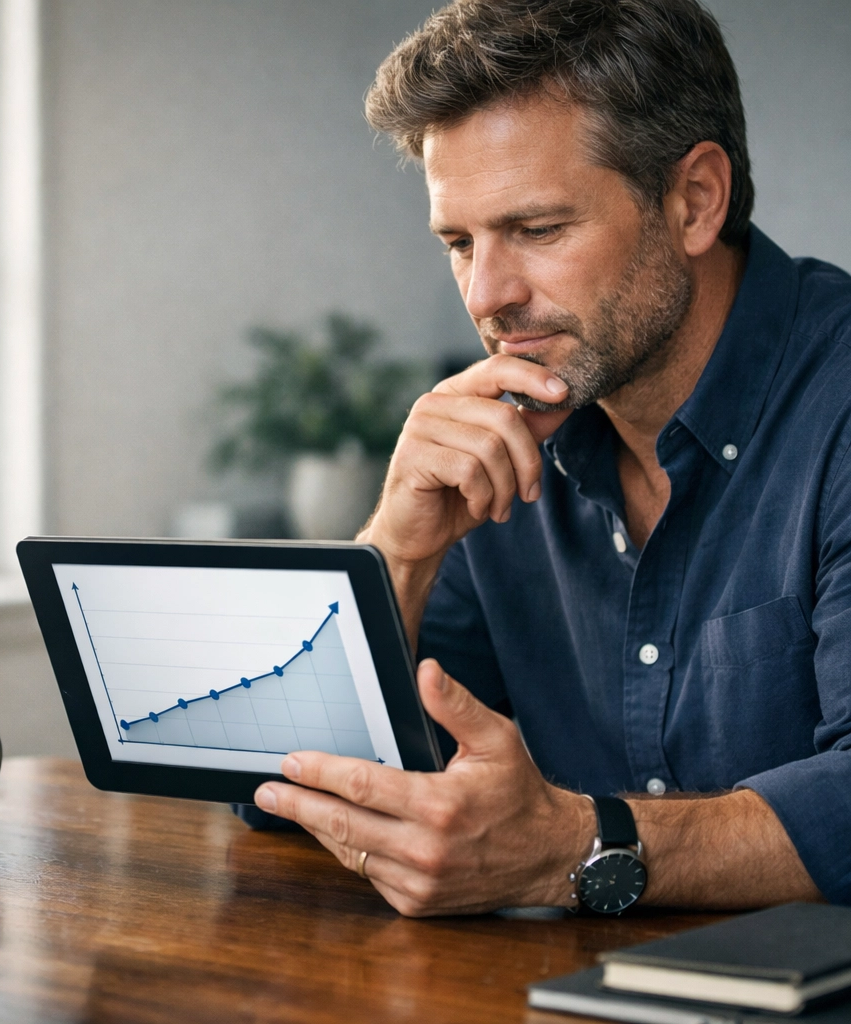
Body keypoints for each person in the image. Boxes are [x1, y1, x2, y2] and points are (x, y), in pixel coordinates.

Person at [252, 0, 851, 914]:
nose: (488, 296)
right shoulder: (500, 434)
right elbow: (284, 788)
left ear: (695, 200)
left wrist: (576, 848)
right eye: (459, 242)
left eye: (537, 230)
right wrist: (400, 553)